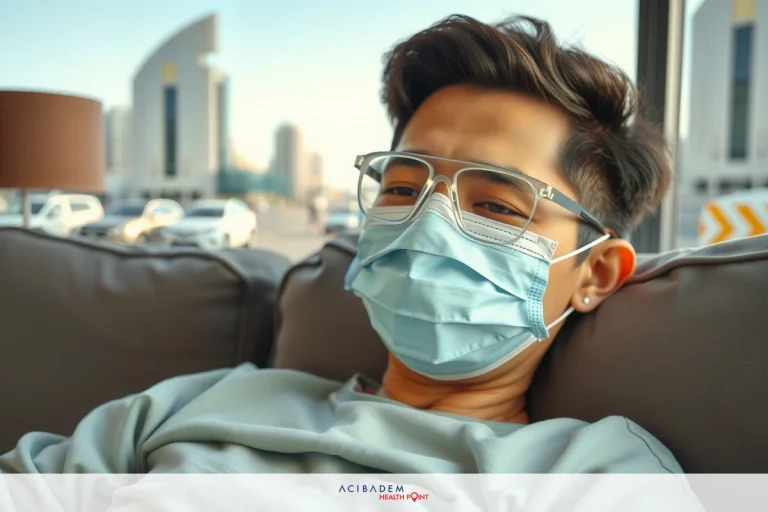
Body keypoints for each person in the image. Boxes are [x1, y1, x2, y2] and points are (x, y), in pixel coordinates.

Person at [1, 15, 688, 489]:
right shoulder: (193, 406)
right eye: (401, 187)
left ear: (594, 272)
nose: (429, 226)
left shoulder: (594, 475)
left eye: (496, 205)